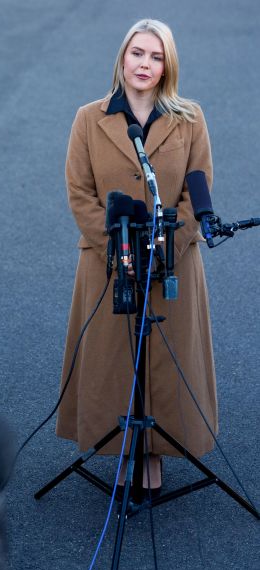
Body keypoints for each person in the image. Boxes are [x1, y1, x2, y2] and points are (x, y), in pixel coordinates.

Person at [56, 19, 216, 493]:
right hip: (109, 261)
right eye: (137, 53)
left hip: (174, 263)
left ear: (168, 65)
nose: (145, 64)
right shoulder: (89, 117)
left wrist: (165, 246)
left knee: (167, 363)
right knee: (113, 359)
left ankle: (157, 451)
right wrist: (121, 248)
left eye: (156, 56)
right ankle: (122, 447)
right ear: (122, 58)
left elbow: (197, 187)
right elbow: (79, 193)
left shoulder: (191, 118)